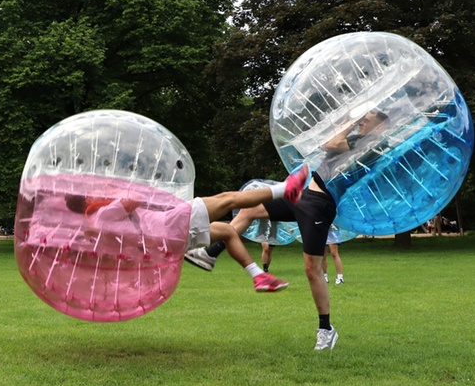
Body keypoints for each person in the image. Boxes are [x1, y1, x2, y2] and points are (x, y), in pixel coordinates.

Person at [188, 110, 389, 350]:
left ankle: (326, 329)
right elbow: (328, 145)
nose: (363, 120)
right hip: (304, 195)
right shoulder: (359, 141)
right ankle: (211, 252)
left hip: (320, 204)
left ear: (380, 126)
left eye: (369, 118)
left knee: (311, 269)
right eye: (363, 117)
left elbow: (331, 142)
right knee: (249, 209)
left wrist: (350, 122)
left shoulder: (372, 146)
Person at [64, 164, 310, 293]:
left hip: (166, 242)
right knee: (228, 199)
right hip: (170, 226)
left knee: (226, 232)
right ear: (86, 200)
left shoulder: (96, 225)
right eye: (89, 192)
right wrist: (114, 190)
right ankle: (286, 190)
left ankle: (259, 277)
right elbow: (136, 197)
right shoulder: (104, 213)